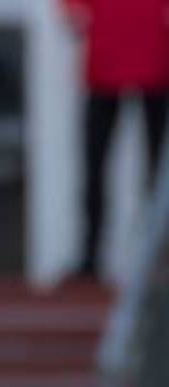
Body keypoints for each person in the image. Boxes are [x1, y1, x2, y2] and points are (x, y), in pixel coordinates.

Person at [62, 0, 169, 278]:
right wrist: (73, 10)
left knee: (157, 171)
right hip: (107, 55)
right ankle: (91, 256)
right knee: (95, 164)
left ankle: (158, 258)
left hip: (154, 55)